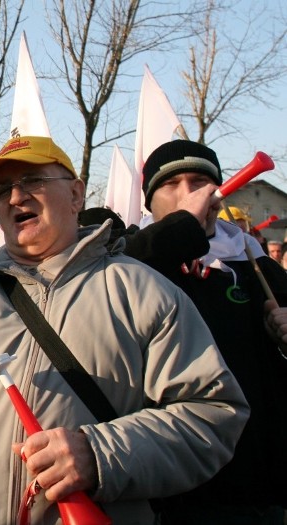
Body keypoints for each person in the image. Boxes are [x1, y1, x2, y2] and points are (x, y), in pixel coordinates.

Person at [0, 111, 249, 524]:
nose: (15, 197)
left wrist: (99, 454)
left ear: (75, 195)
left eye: (32, 181)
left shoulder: (142, 291)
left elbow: (213, 416)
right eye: (2, 189)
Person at [123, 139, 287, 524]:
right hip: (163, 484)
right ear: (149, 201)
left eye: (199, 181)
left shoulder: (252, 261)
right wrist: (182, 229)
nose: (188, 194)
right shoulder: (128, 254)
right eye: (171, 184)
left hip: (251, 485)